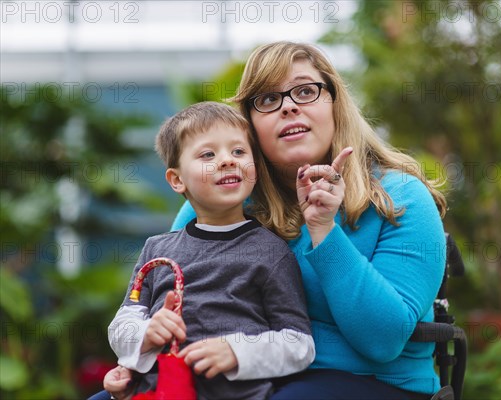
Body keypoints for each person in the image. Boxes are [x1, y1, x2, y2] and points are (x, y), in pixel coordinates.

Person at [171, 42, 448, 399]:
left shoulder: (403, 198)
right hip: (236, 379)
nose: (288, 106)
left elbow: (383, 340)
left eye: (305, 91)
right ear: (250, 127)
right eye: (268, 100)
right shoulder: (217, 200)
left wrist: (324, 230)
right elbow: (169, 299)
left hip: (375, 383)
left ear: (335, 103)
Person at [101, 101, 315, 400]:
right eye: (208, 154)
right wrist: (146, 334)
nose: (228, 160)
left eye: (239, 151)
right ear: (177, 180)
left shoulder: (272, 252)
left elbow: (299, 344)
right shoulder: (157, 249)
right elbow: (122, 327)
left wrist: (237, 352)